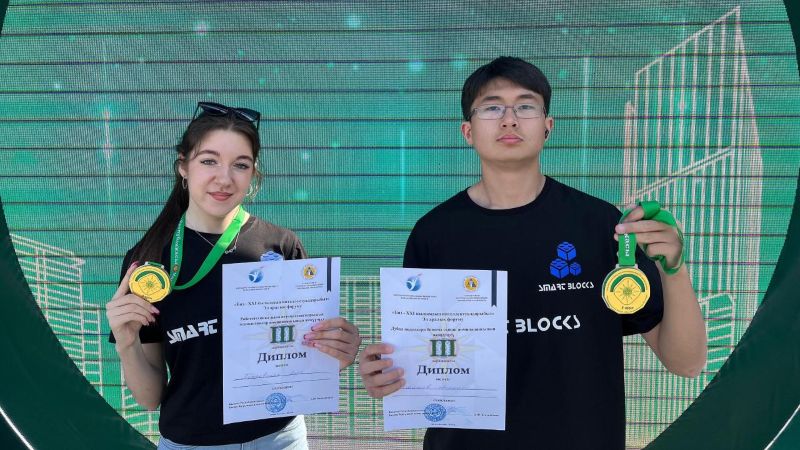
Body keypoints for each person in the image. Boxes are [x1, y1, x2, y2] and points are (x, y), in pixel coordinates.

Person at [359, 57, 707, 449]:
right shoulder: (435, 234)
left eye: (525, 106)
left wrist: (674, 270)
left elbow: (686, 363)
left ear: (547, 127)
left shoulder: (600, 225)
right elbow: (421, 363)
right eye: (492, 108)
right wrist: (386, 376)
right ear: (468, 131)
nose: (509, 120)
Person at [106, 102, 361, 449]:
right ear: (183, 166)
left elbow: (308, 360)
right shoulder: (148, 262)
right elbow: (150, 398)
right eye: (209, 161)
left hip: (280, 438)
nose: (224, 179)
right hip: (192, 442)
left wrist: (337, 355)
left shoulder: (282, 246)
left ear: (253, 173)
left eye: (240, 165)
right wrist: (126, 343)